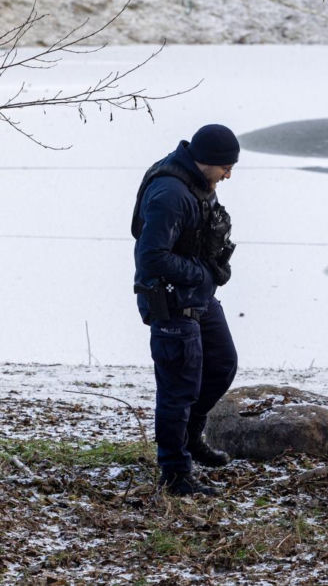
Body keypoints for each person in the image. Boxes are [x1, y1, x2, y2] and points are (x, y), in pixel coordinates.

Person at [132, 124, 240, 496]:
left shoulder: (197, 182)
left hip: (199, 296)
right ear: (206, 160)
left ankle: (192, 436)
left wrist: (212, 266)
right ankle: (175, 474)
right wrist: (201, 271)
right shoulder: (170, 193)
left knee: (223, 363)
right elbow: (150, 256)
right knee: (178, 389)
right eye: (225, 167)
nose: (228, 175)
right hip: (171, 301)